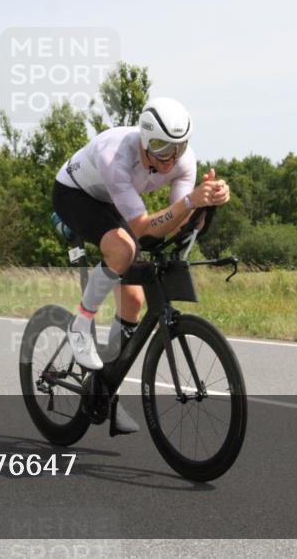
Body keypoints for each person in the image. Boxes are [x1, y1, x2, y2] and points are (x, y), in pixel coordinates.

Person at [52, 97, 230, 433]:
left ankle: (105, 387)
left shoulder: (182, 161)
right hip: (75, 194)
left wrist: (205, 205)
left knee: (133, 302)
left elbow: (171, 223)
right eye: (162, 147)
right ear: (145, 140)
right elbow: (141, 229)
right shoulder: (115, 156)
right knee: (123, 252)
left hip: (114, 200)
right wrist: (190, 202)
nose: (170, 157)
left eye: (179, 146)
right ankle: (80, 322)